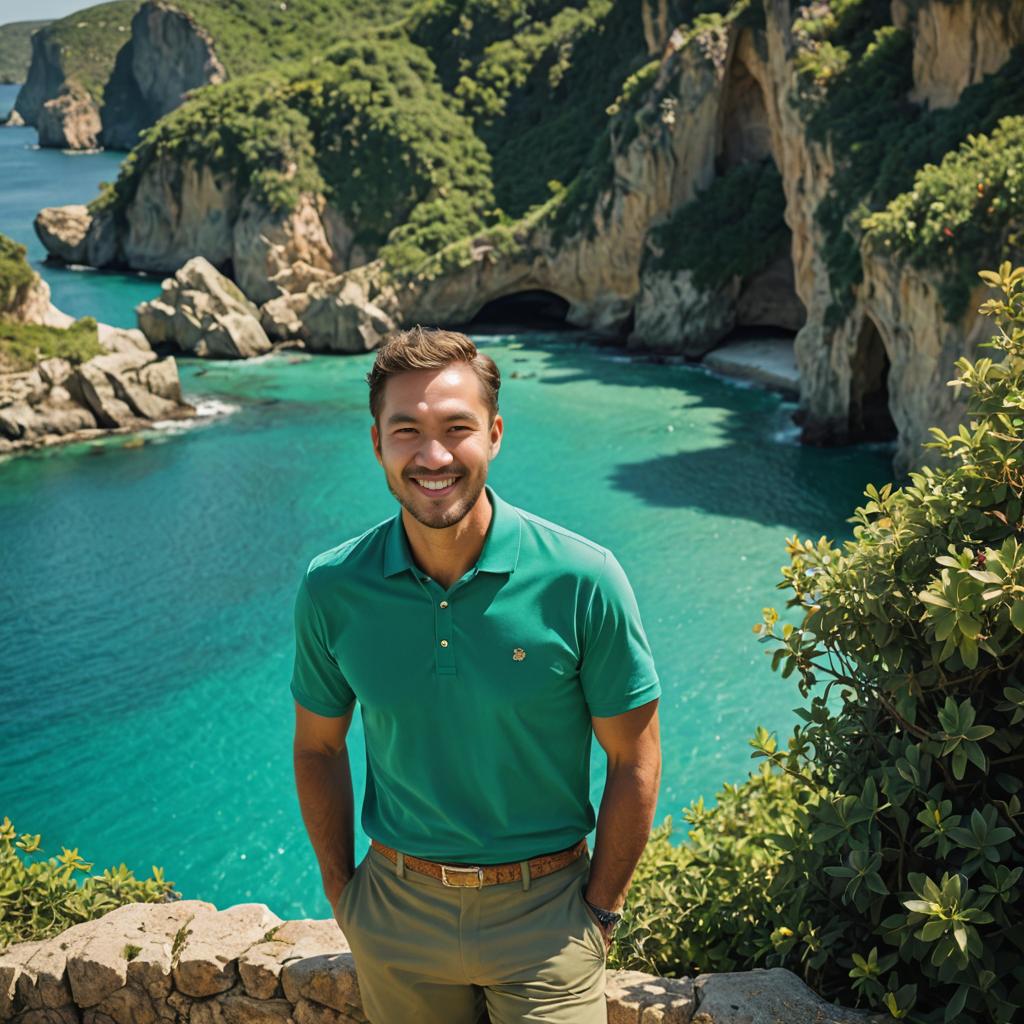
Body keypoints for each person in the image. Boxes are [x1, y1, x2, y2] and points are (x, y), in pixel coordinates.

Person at [290, 326, 662, 1024]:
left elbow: (634, 757)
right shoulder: (332, 588)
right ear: (376, 444)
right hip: (396, 914)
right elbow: (318, 747)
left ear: (494, 434)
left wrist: (600, 910)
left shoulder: (584, 578)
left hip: (548, 918)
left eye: (456, 428)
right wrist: (346, 896)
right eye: (406, 431)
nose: (433, 456)